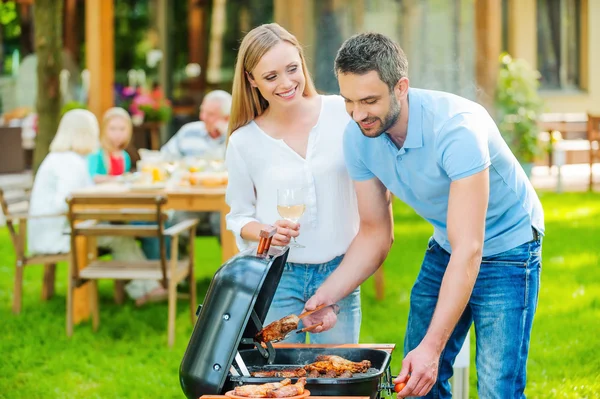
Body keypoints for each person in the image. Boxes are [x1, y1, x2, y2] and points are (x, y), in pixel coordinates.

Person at [303, 33, 544, 398]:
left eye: (369, 100)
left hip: (509, 249)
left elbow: (470, 249)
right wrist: (326, 297)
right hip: (450, 241)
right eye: (349, 101)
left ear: (401, 88)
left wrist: (433, 349)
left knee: (498, 387)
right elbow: (373, 233)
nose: (358, 114)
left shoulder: (457, 130)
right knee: (414, 383)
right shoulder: (358, 136)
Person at [225, 23, 361, 344]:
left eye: (292, 69)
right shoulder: (244, 142)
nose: (286, 84)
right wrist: (267, 233)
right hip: (278, 277)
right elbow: (239, 217)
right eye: (271, 77)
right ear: (251, 80)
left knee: (338, 383)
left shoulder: (341, 114)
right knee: (281, 383)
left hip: (339, 273)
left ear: (302, 62)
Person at [27, 109, 165, 305]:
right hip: (60, 234)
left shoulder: (62, 158)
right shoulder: (69, 163)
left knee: (121, 233)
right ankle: (146, 290)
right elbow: (66, 204)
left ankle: (147, 289)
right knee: (120, 237)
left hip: (55, 228)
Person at [160, 90, 231, 160]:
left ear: (226, 118)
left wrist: (226, 133)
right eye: (202, 111)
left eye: (210, 114)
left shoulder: (232, 138)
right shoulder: (188, 131)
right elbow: (165, 156)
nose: (203, 117)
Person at [87, 107, 133, 183]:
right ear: (104, 129)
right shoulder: (96, 152)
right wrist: (117, 179)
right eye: (112, 128)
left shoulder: (125, 156)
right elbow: (92, 177)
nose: (118, 134)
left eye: (122, 129)